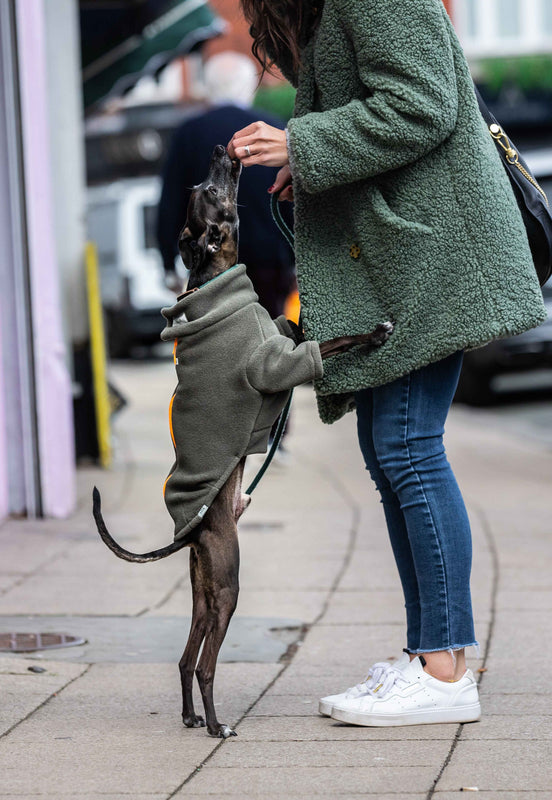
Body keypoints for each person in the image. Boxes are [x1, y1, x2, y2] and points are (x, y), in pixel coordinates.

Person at [227, 0, 546, 726]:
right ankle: (431, 655)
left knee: (407, 446)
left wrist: (299, 144)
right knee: (391, 449)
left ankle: (443, 671)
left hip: (429, 253)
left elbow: (422, 101)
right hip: (409, 254)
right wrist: (311, 164)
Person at [156, 52, 295, 318]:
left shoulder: (189, 133)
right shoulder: (273, 130)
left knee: (217, 343)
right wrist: (296, 260)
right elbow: (289, 199)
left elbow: (172, 202)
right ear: (248, 87)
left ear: (208, 87)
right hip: (268, 260)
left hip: (210, 262)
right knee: (267, 338)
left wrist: (167, 262)